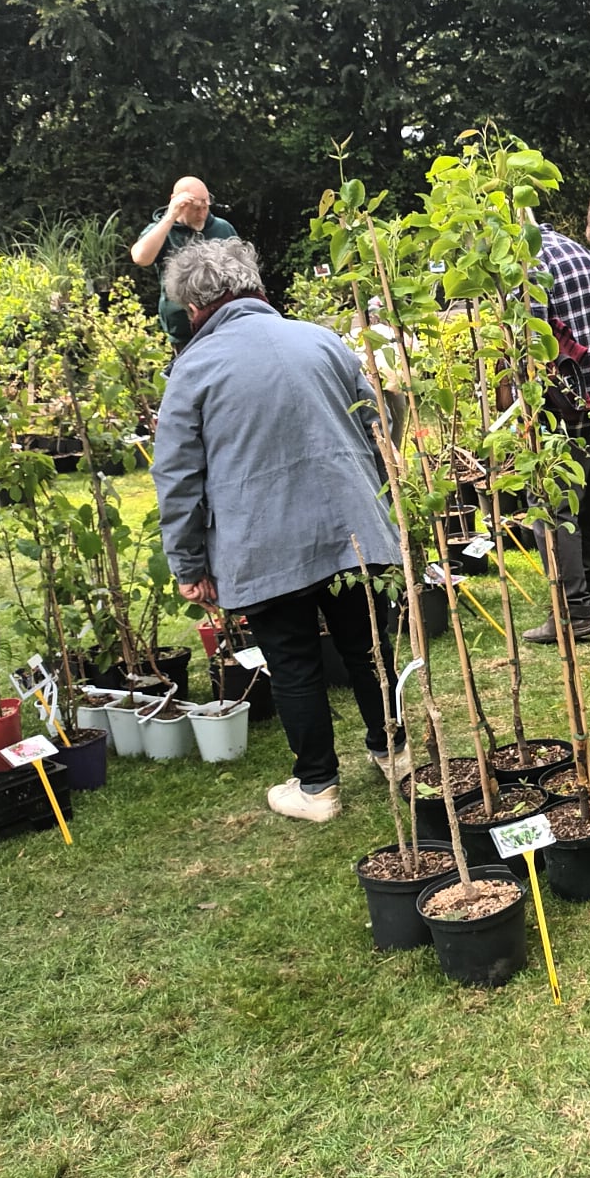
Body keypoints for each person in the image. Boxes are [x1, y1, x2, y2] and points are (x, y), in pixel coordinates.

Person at [149, 239, 404, 823]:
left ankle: (317, 788)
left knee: (291, 661)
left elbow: (178, 476)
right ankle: (396, 753)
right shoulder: (321, 339)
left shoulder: (193, 369)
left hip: (263, 542)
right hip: (354, 528)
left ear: (193, 309)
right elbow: (375, 425)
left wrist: (189, 566)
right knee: (368, 648)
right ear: (256, 286)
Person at [521, 220, 590, 645]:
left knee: (551, 503)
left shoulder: (528, 265)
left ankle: (572, 610)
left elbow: (531, 342)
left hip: (567, 401)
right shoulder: (579, 252)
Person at [131, 177, 240, 348]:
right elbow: (141, 257)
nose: (202, 214)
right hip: (184, 333)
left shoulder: (223, 228)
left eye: (205, 207)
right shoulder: (162, 231)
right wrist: (170, 217)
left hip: (224, 325)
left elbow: (242, 273)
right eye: (196, 208)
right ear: (176, 203)